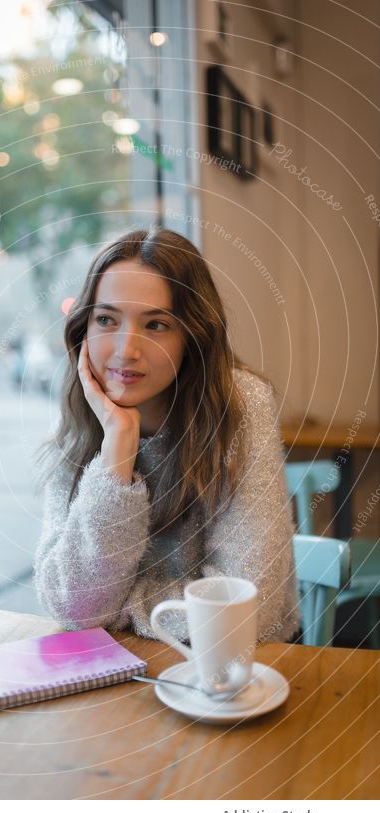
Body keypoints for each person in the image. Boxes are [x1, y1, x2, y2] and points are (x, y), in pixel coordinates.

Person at [33, 227, 299, 644]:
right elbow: (74, 606)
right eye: (106, 319)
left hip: (239, 674)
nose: (125, 350)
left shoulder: (241, 405)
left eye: (156, 324)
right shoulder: (80, 420)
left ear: (192, 336)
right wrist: (116, 453)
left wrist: (124, 607)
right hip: (126, 676)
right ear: (84, 328)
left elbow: (249, 610)